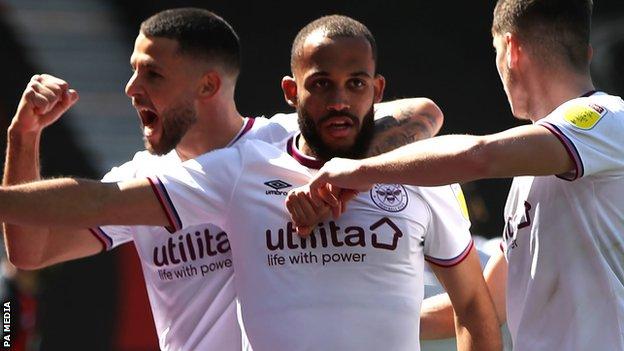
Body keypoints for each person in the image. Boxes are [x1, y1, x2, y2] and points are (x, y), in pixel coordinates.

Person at [0, 15, 502, 351]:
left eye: (151, 75)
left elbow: (422, 112)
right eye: (133, 72)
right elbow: (29, 252)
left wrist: (341, 178)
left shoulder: (282, 147)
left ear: (207, 86)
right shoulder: (155, 180)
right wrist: (23, 138)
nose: (131, 90)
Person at [303, 1, 624, 350]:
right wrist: (359, 316)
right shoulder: (534, 176)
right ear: (587, 53)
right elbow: (482, 302)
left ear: (511, 50)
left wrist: (359, 172)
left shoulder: (605, 118)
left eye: (496, 51)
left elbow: (479, 156)